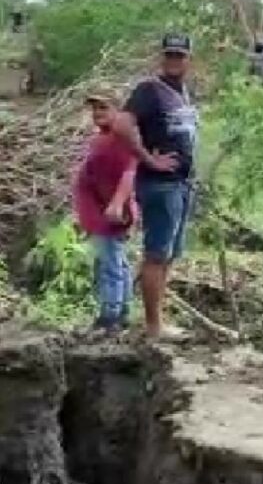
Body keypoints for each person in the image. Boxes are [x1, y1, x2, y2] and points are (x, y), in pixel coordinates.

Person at [113, 33, 197, 339]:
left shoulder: (185, 92)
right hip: (161, 184)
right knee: (156, 254)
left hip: (182, 183)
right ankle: (153, 326)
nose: (174, 60)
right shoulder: (150, 90)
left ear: (189, 59)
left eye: (180, 55)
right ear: (161, 58)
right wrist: (148, 159)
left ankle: (158, 321)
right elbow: (122, 125)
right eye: (169, 55)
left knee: (169, 254)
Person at [73, 88, 138, 332]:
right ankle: (122, 312)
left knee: (109, 263)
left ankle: (110, 316)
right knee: (117, 260)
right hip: (98, 211)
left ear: (119, 112)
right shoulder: (100, 138)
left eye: (104, 107)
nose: (97, 112)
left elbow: (129, 172)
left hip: (111, 213)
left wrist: (117, 203)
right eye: (95, 108)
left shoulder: (122, 138)